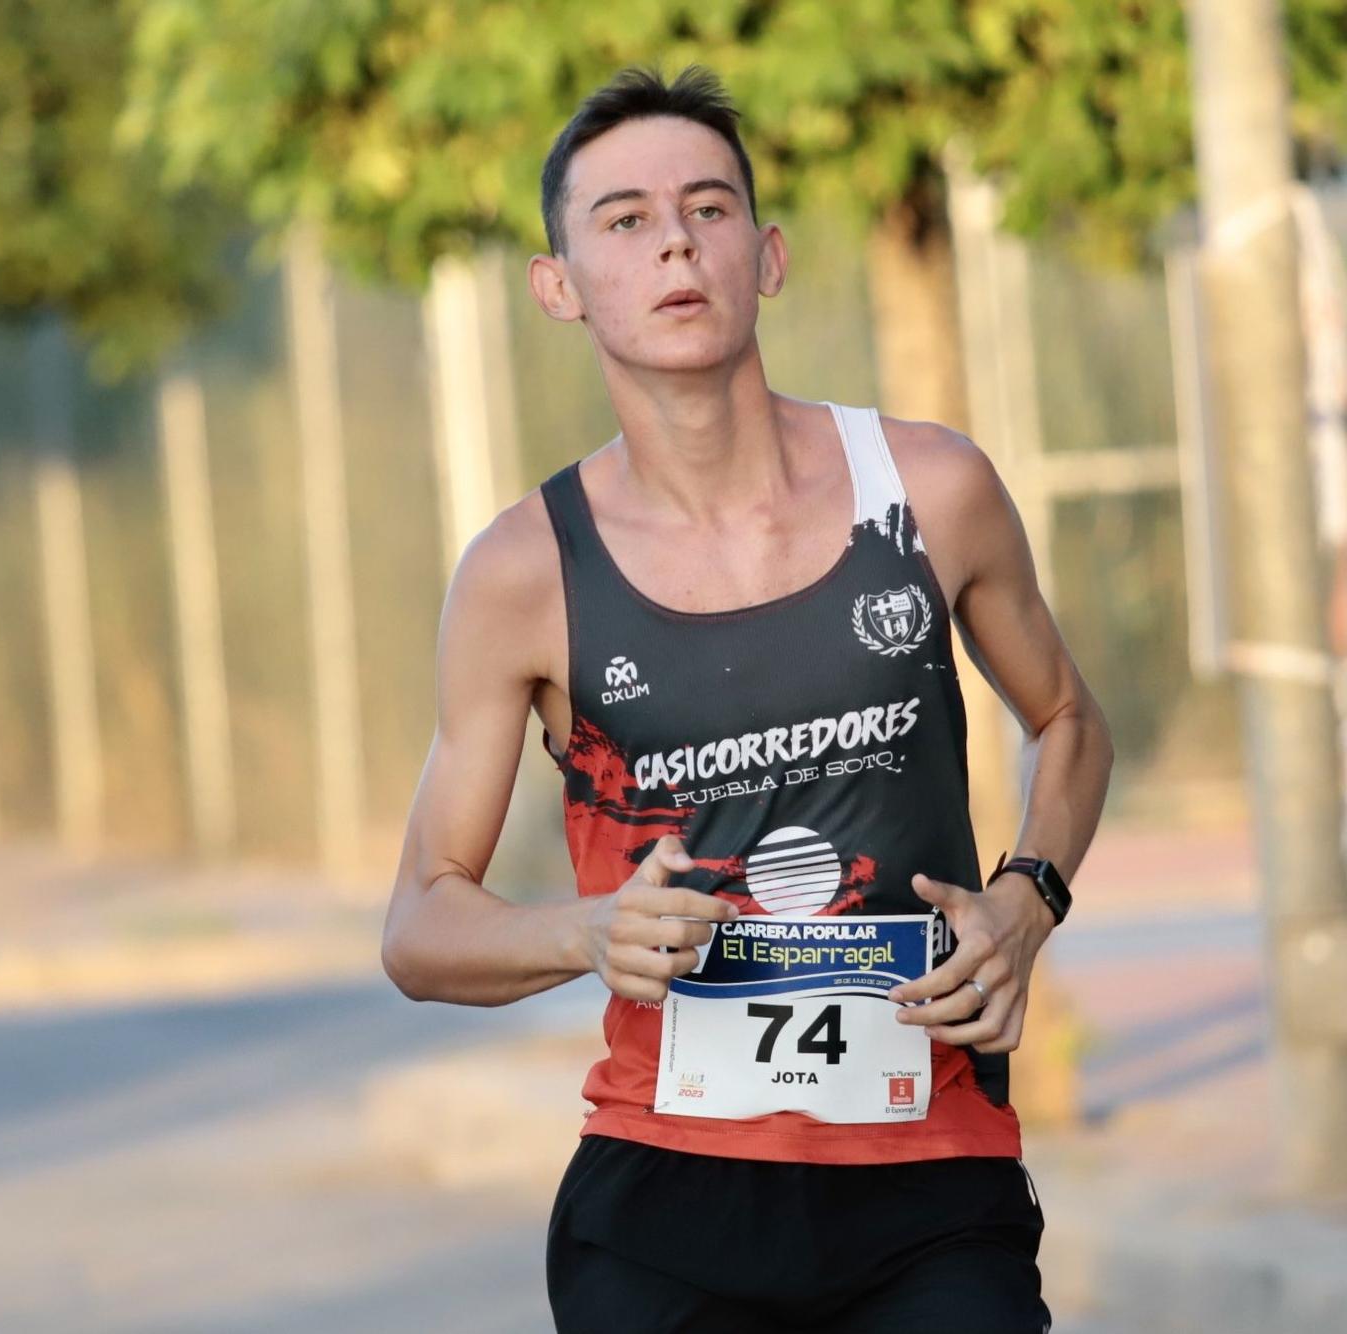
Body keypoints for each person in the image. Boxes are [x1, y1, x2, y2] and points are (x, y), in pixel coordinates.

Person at [381, 67, 1112, 1333]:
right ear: (558, 286)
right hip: (665, 1200)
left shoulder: (928, 487)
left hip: (931, 1174)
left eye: (707, 207)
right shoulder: (522, 572)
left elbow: (1070, 724)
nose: (673, 237)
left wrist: (1024, 900)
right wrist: (586, 931)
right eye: (623, 219)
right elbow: (418, 925)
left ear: (764, 257)